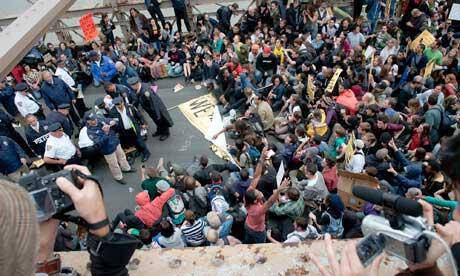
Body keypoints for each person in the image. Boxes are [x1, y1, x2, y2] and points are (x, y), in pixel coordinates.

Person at [85, 113, 135, 184]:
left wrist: (113, 122)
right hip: (107, 149)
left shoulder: (99, 119)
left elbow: (111, 120)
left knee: (122, 156)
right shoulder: (90, 131)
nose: (95, 120)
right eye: (92, 120)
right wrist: (106, 133)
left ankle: (126, 168)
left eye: (95, 118)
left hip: (115, 142)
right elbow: (99, 142)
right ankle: (118, 177)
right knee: (113, 164)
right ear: (88, 121)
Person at [128, 76, 173, 141]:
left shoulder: (146, 91)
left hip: (155, 109)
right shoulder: (140, 87)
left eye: (131, 86)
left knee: (161, 120)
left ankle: (166, 133)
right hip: (150, 109)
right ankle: (160, 130)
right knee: (156, 121)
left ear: (136, 84)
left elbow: (153, 102)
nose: (131, 87)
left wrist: (157, 114)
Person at [109, 97, 151, 162]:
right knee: (133, 142)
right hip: (124, 131)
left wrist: (143, 123)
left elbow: (139, 115)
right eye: (117, 105)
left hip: (134, 128)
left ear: (123, 102)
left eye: (120, 104)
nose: (119, 106)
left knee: (140, 142)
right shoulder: (112, 112)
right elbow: (113, 123)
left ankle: (146, 153)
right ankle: (139, 150)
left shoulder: (130, 107)